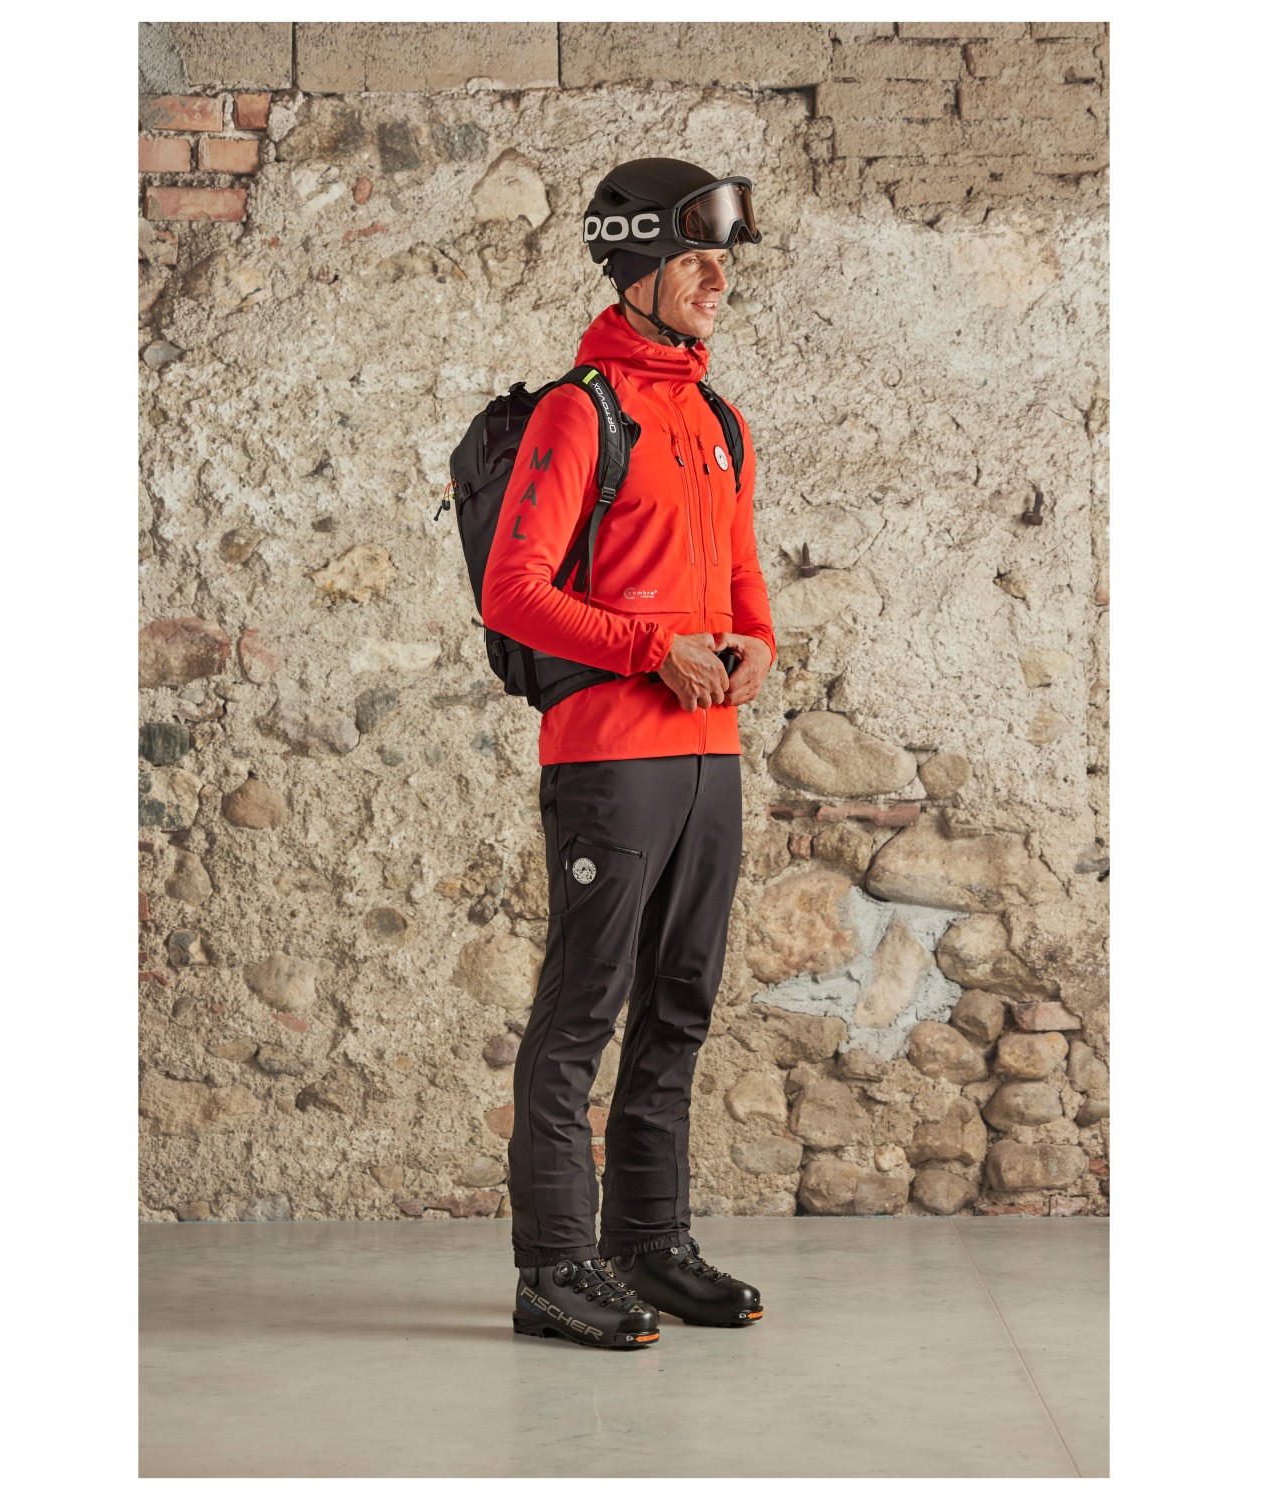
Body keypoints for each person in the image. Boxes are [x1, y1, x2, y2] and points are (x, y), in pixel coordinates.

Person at [482, 158, 778, 1350]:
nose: (718, 280)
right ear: (635, 265)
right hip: (609, 760)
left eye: (722, 259)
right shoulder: (582, 411)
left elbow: (742, 577)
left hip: (711, 758)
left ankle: (648, 1243)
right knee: (583, 1011)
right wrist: (653, 648)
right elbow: (514, 593)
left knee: (682, 1004)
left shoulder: (717, 419)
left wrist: (757, 644)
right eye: (693, 259)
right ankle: (554, 1267)